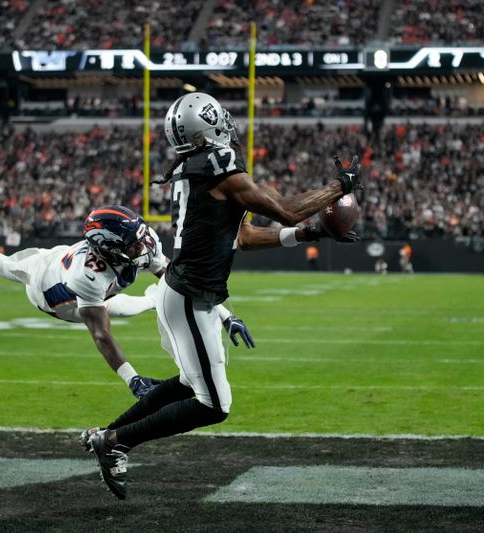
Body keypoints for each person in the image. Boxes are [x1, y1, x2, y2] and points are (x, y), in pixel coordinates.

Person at [83, 92, 362, 499]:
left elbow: (244, 236)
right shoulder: (217, 164)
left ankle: (108, 435)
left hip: (189, 293)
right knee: (214, 404)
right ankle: (115, 443)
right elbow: (285, 209)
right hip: (188, 297)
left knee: (187, 384)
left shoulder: (196, 168)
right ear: (207, 126)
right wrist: (340, 186)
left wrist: (308, 234)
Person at [0, 205, 179, 399]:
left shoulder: (143, 240)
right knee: (112, 310)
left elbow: (174, 275)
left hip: (56, 257)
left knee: (4, 264)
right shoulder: (88, 277)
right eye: (133, 245)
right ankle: (152, 299)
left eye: (140, 238)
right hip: (49, 293)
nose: (143, 246)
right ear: (110, 247)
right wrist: (133, 380)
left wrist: (221, 316)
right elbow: (101, 335)